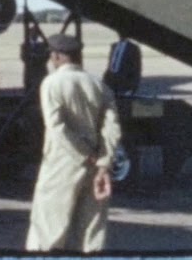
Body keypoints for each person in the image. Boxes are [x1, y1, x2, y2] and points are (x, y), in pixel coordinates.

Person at [25, 34, 122, 252]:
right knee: (92, 233)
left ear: (57, 56)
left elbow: (57, 127)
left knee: (48, 230)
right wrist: (103, 163)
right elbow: (112, 128)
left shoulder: (51, 83)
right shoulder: (99, 85)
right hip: (95, 167)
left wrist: (82, 154)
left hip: (62, 163)